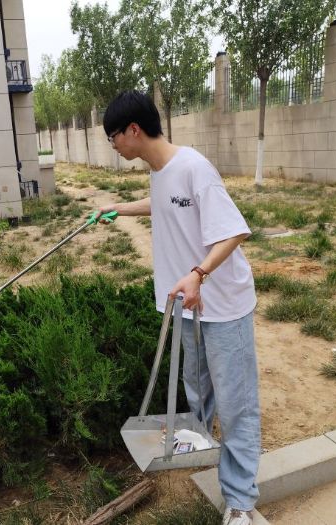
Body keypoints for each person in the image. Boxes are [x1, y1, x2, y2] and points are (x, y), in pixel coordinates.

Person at [97, 90, 260, 525]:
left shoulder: (194, 167)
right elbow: (163, 204)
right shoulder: (160, 171)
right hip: (189, 307)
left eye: (113, 136)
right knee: (197, 390)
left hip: (222, 307)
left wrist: (198, 273)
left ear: (133, 130)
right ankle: (201, 448)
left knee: (237, 405)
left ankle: (240, 501)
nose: (113, 145)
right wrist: (118, 209)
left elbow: (234, 231)